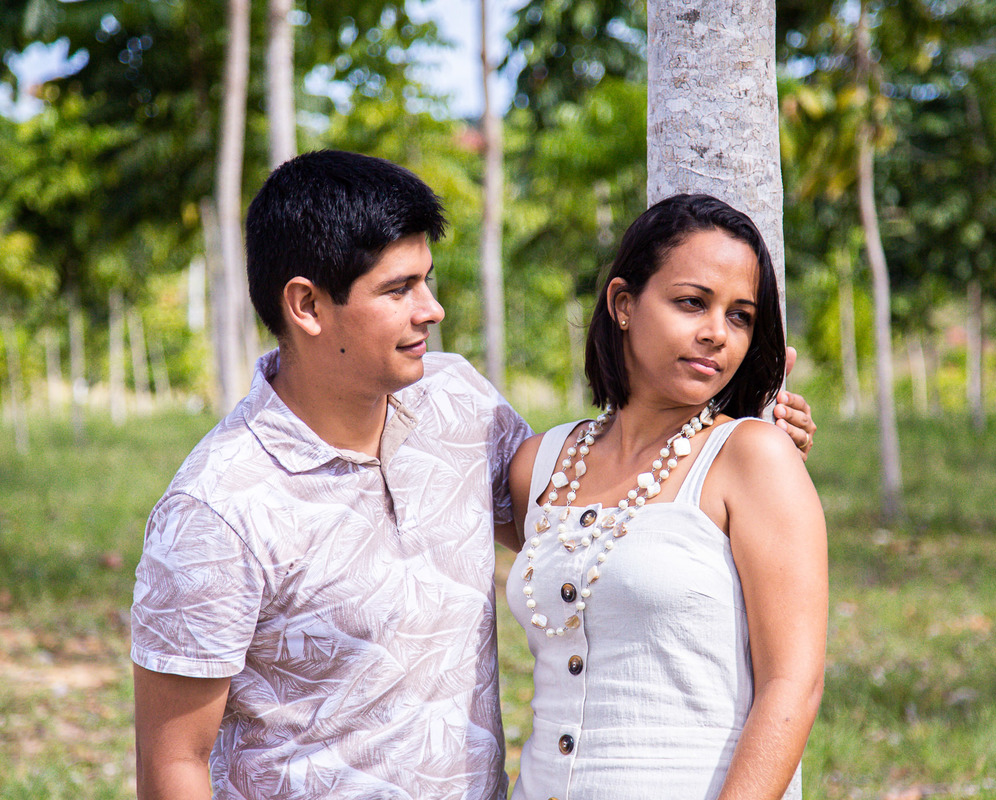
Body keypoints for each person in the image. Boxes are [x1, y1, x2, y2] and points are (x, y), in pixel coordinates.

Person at [130, 150, 819, 800]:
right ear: (307, 306)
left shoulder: (457, 404)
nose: (431, 309)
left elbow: (596, 526)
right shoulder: (218, 507)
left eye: (426, 279)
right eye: (400, 288)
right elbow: (173, 762)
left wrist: (749, 461)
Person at [505, 194, 828, 800]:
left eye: (740, 317)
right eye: (691, 302)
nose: (715, 334)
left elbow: (793, 685)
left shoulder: (752, 458)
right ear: (624, 304)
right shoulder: (541, 464)